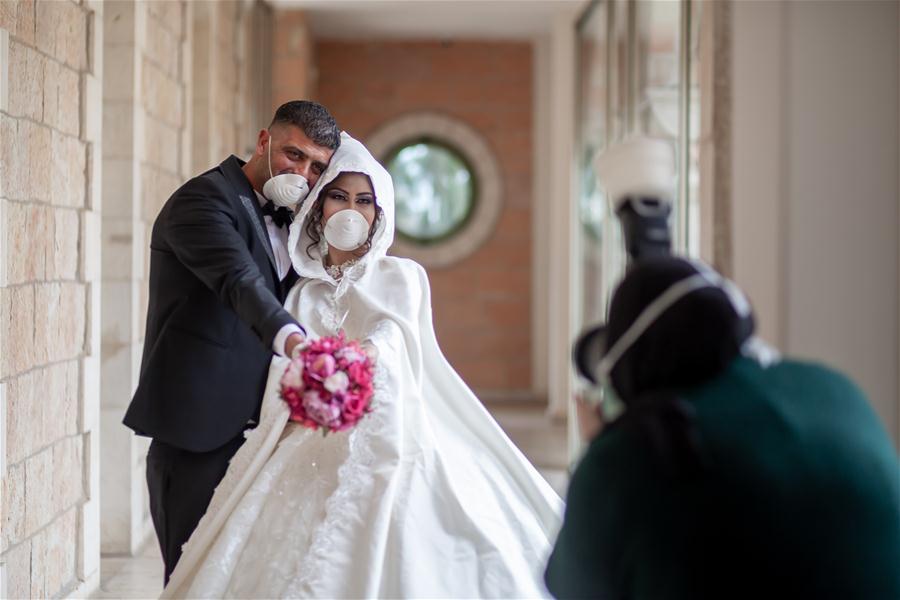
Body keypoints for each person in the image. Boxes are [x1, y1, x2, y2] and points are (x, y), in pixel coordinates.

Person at [159, 133, 563, 599]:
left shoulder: (402, 276)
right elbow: (279, 364)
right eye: (338, 195)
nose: (351, 208)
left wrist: (350, 362)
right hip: (309, 439)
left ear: (378, 212)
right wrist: (307, 385)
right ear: (319, 206)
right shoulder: (300, 291)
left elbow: (396, 339)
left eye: (364, 200)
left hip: (389, 427)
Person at [545, 257, 900, 599]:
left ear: (627, 369)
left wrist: (597, 445)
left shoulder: (633, 454)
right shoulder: (836, 389)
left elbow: (571, 586)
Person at [123, 101, 341, 582]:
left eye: (315, 166)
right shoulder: (203, 200)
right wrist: (295, 342)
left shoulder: (298, 221)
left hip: (262, 433)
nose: (302, 173)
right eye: (293, 154)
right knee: (191, 578)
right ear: (264, 142)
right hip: (198, 431)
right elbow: (239, 280)